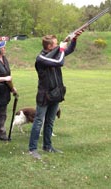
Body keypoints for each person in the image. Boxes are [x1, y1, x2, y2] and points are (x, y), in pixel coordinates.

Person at [28, 31, 83, 160]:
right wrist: (62, 48)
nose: (58, 46)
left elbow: (70, 50)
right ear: (49, 47)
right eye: (56, 44)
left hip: (56, 94)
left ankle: (47, 146)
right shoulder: (41, 58)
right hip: (44, 95)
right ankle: (33, 149)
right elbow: (59, 62)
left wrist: (73, 39)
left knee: (50, 121)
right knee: (38, 121)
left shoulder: (56, 53)